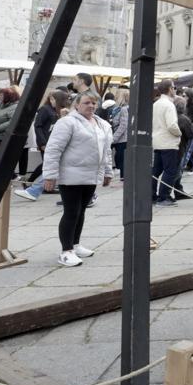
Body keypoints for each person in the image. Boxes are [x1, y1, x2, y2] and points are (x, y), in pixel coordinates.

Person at [42, 91, 113, 267]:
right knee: (71, 212)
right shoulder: (67, 123)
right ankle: (66, 251)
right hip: (71, 175)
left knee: (81, 211)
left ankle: (75, 244)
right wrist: (50, 175)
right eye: (87, 102)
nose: (91, 106)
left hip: (90, 175)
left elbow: (106, 150)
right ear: (77, 105)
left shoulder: (101, 123)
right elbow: (53, 149)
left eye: (94, 103)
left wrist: (108, 171)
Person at [14, 89, 70, 201]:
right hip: (48, 142)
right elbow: (38, 126)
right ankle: (32, 186)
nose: (51, 100)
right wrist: (42, 142)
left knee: (50, 165)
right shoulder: (45, 109)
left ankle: (33, 187)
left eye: (53, 98)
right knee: (49, 165)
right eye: (51, 98)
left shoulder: (61, 111)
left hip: (56, 143)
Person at [152, 80, 183, 207]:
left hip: (157, 141)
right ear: (170, 89)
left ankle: (152, 195)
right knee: (170, 171)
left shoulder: (156, 104)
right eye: (174, 88)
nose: (175, 90)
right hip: (168, 142)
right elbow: (171, 125)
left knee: (156, 171)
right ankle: (163, 197)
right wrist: (179, 133)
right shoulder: (169, 105)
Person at [0, 86, 28, 177]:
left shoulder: (15, 106)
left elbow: (12, 122)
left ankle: (11, 177)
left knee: (1, 160)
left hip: (5, 137)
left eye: (1, 95)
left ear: (8, 96)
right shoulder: (2, 106)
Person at [110, 88, 129, 179]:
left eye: (117, 94)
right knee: (119, 159)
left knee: (122, 160)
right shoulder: (116, 109)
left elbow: (123, 125)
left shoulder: (124, 109)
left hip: (122, 139)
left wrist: (114, 138)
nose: (115, 96)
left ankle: (123, 177)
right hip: (118, 138)